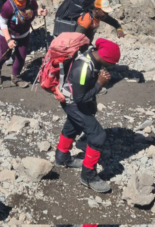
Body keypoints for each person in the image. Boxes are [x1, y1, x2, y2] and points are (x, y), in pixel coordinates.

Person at [54, 38, 121, 193]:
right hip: (73, 102)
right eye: (112, 63)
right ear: (105, 58)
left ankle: (62, 158)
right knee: (98, 136)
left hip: (73, 99)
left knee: (74, 125)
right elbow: (80, 99)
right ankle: (88, 176)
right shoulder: (84, 67)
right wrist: (99, 84)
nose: (112, 66)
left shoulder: (92, 56)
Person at [0, 0, 47, 87]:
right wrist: (9, 40)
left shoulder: (30, 0)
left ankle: (15, 77)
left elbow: (34, 11)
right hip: (6, 34)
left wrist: (40, 12)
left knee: (21, 57)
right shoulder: (8, 6)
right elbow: (2, 23)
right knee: (5, 55)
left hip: (23, 34)